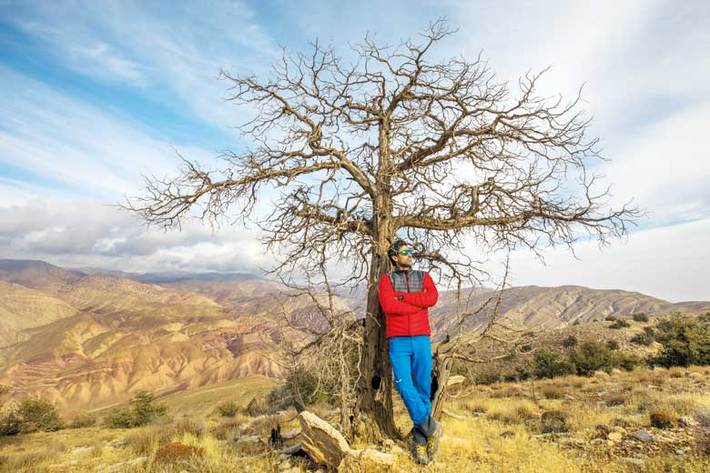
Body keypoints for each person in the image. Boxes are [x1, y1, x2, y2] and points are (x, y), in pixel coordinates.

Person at [377, 239, 443, 464]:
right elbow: (389, 306)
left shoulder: (423, 277)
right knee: (404, 385)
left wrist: (404, 298)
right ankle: (431, 427)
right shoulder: (386, 280)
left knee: (423, 388)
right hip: (398, 341)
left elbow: (432, 298)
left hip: (422, 339)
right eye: (405, 252)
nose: (410, 254)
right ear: (395, 257)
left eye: (411, 251)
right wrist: (417, 305)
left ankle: (420, 442)